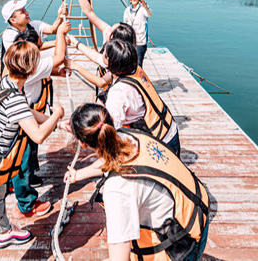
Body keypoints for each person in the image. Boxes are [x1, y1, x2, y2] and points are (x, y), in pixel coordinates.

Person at [0, 41, 65, 260]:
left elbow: (26, 113)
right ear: (33, 70)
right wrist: (57, 114)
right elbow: (37, 135)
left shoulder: (7, 83)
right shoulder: (15, 98)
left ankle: (4, 232)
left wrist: (59, 124)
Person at [65, 104, 210, 261]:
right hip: (197, 213)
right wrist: (78, 175)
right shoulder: (128, 137)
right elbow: (109, 159)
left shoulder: (117, 190)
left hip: (184, 246)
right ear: (111, 121)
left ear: (83, 143)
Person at [9, 20, 70, 213]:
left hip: (31, 112)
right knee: (22, 159)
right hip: (25, 120)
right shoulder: (30, 70)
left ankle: (25, 180)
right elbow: (59, 57)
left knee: (28, 155)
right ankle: (26, 204)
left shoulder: (20, 66)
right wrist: (60, 32)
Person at [123, 0, 152, 66]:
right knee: (129, 63)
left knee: (138, 63)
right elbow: (125, 26)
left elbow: (149, 14)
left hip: (140, 42)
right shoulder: (127, 10)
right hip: (130, 41)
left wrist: (146, 7)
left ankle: (139, 78)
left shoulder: (143, 9)